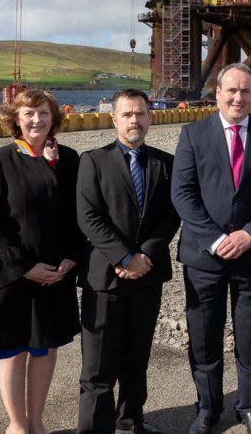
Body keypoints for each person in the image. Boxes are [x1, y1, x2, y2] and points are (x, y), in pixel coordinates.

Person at [171, 63, 251, 434]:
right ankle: (208, 407)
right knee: (204, 336)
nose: (238, 98)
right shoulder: (193, 133)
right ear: (218, 93)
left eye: (246, 92)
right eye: (232, 91)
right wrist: (216, 238)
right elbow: (183, 194)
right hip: (204, 256)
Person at [0, 88, 82, 434]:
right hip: (13, 276)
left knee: (44, 348)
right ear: (15, 119)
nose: (37, 120)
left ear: (54, 119)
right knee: (13, 350)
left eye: (44, 113)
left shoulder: (70, 159)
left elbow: (81, 215)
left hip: (54, 274)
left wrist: (72, 258)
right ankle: (16, 424)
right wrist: (24, 267)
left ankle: (37, 420)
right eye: (29, 113)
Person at [76, 88, 180, 434]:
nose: (134, 120)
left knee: (137, 358)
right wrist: (123, 256)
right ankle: (94, 428)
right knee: (98, 364)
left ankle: (131, 420)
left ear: (150, 117)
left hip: (147, 275)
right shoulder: (92, 160)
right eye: (127, 114)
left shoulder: (165, 163)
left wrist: (144, 255)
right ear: (114, 119)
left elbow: (171, 216)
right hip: (104, 277)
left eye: (140, 114)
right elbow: (88, 216)